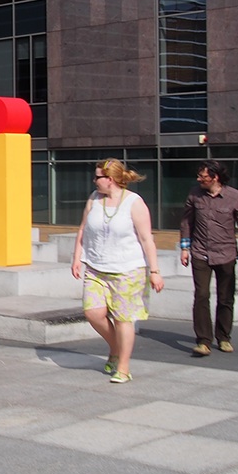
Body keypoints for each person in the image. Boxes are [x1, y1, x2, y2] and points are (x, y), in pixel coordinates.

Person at [71, 158, 164, 384]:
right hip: (96, 267)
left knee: (123, 319)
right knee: (93, 312)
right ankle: (114, 348)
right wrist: (76, 258)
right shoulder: (94, 199)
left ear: (110, 180)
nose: (94, 181)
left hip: (127, 269)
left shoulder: (134, 202)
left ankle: (123, 367)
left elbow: (146, 239)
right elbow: (83, 229)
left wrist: (155, 270)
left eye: (97, 177)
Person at [180, 159, 238, 356]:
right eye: (199, 176)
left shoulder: (235, 197)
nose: (199, 179)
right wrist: (185, 247)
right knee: (201, 295)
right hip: (200, 252)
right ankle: (203, 340)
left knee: (226, 298)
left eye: (203, 177)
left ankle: (223, 337)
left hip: (226, 253)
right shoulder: (195, 194)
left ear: (215, 177)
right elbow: (187, 221)